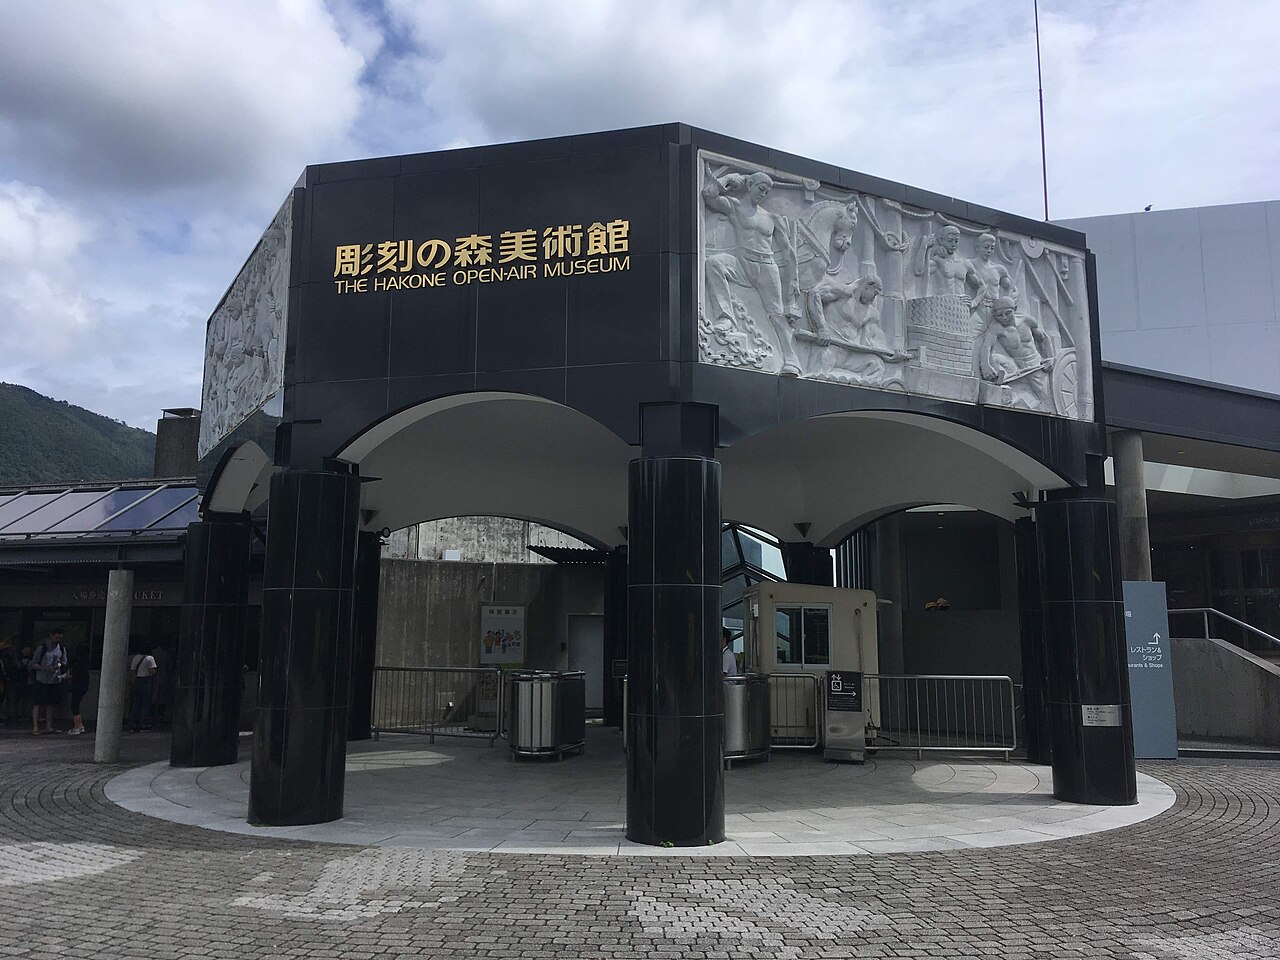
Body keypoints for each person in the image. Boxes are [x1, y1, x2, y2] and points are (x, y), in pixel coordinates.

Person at [703, 163, 804, 375]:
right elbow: (708, 194)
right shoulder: (735, 206)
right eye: (760, 189)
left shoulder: (771, 218)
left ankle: (791, 359)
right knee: (714, 264)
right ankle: (725, 318)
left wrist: (793, 281)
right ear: (749, 184)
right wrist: (729, 178)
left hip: (766, 267)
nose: (763, 194)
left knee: (775, 313)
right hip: (741, 262)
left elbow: (788, 251)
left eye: (767, 192)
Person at [29, 628, 68, 735]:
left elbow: (65, 662)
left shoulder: (61, 649)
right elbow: (33, 663)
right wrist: (45, 668)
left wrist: (60, 663)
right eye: (56, 637)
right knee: (38, 703)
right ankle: (35, 726)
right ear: (51, 636)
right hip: (41, 679)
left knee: (51, 704)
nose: (58, 639)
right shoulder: (43, 647)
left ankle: (48, 725)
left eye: (60, 637)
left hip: (54, 680)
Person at [129, 647, 158, 732]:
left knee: (136, 702)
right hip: (146, 680)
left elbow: (133, 670)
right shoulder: (150, 658)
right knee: (146, 703)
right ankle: (143, 724)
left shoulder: (136, 657)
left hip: (137, 680)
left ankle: (133, 724)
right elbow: (152, 671)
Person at [67, 646, 91, 736]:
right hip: (83, 686)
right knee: (76, 705)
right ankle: (80, 725)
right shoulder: (85, 663)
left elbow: (76, 676)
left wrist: (68, 677)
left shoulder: (79, 663)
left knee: (74, 706)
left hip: (78, 686)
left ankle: (77, 726)